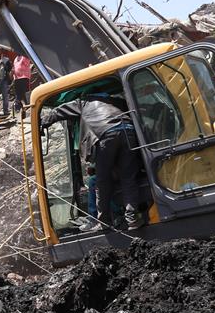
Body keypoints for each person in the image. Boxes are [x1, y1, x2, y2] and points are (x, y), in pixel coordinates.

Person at [41, 92, 145, 231]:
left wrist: (42, 122)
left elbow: (59, 112)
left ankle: (103, 222)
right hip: (128, 131)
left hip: (105, 134)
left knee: (101, 181)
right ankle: (132, 220)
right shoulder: (116, 101)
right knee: (128, 178)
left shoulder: (84, 102)